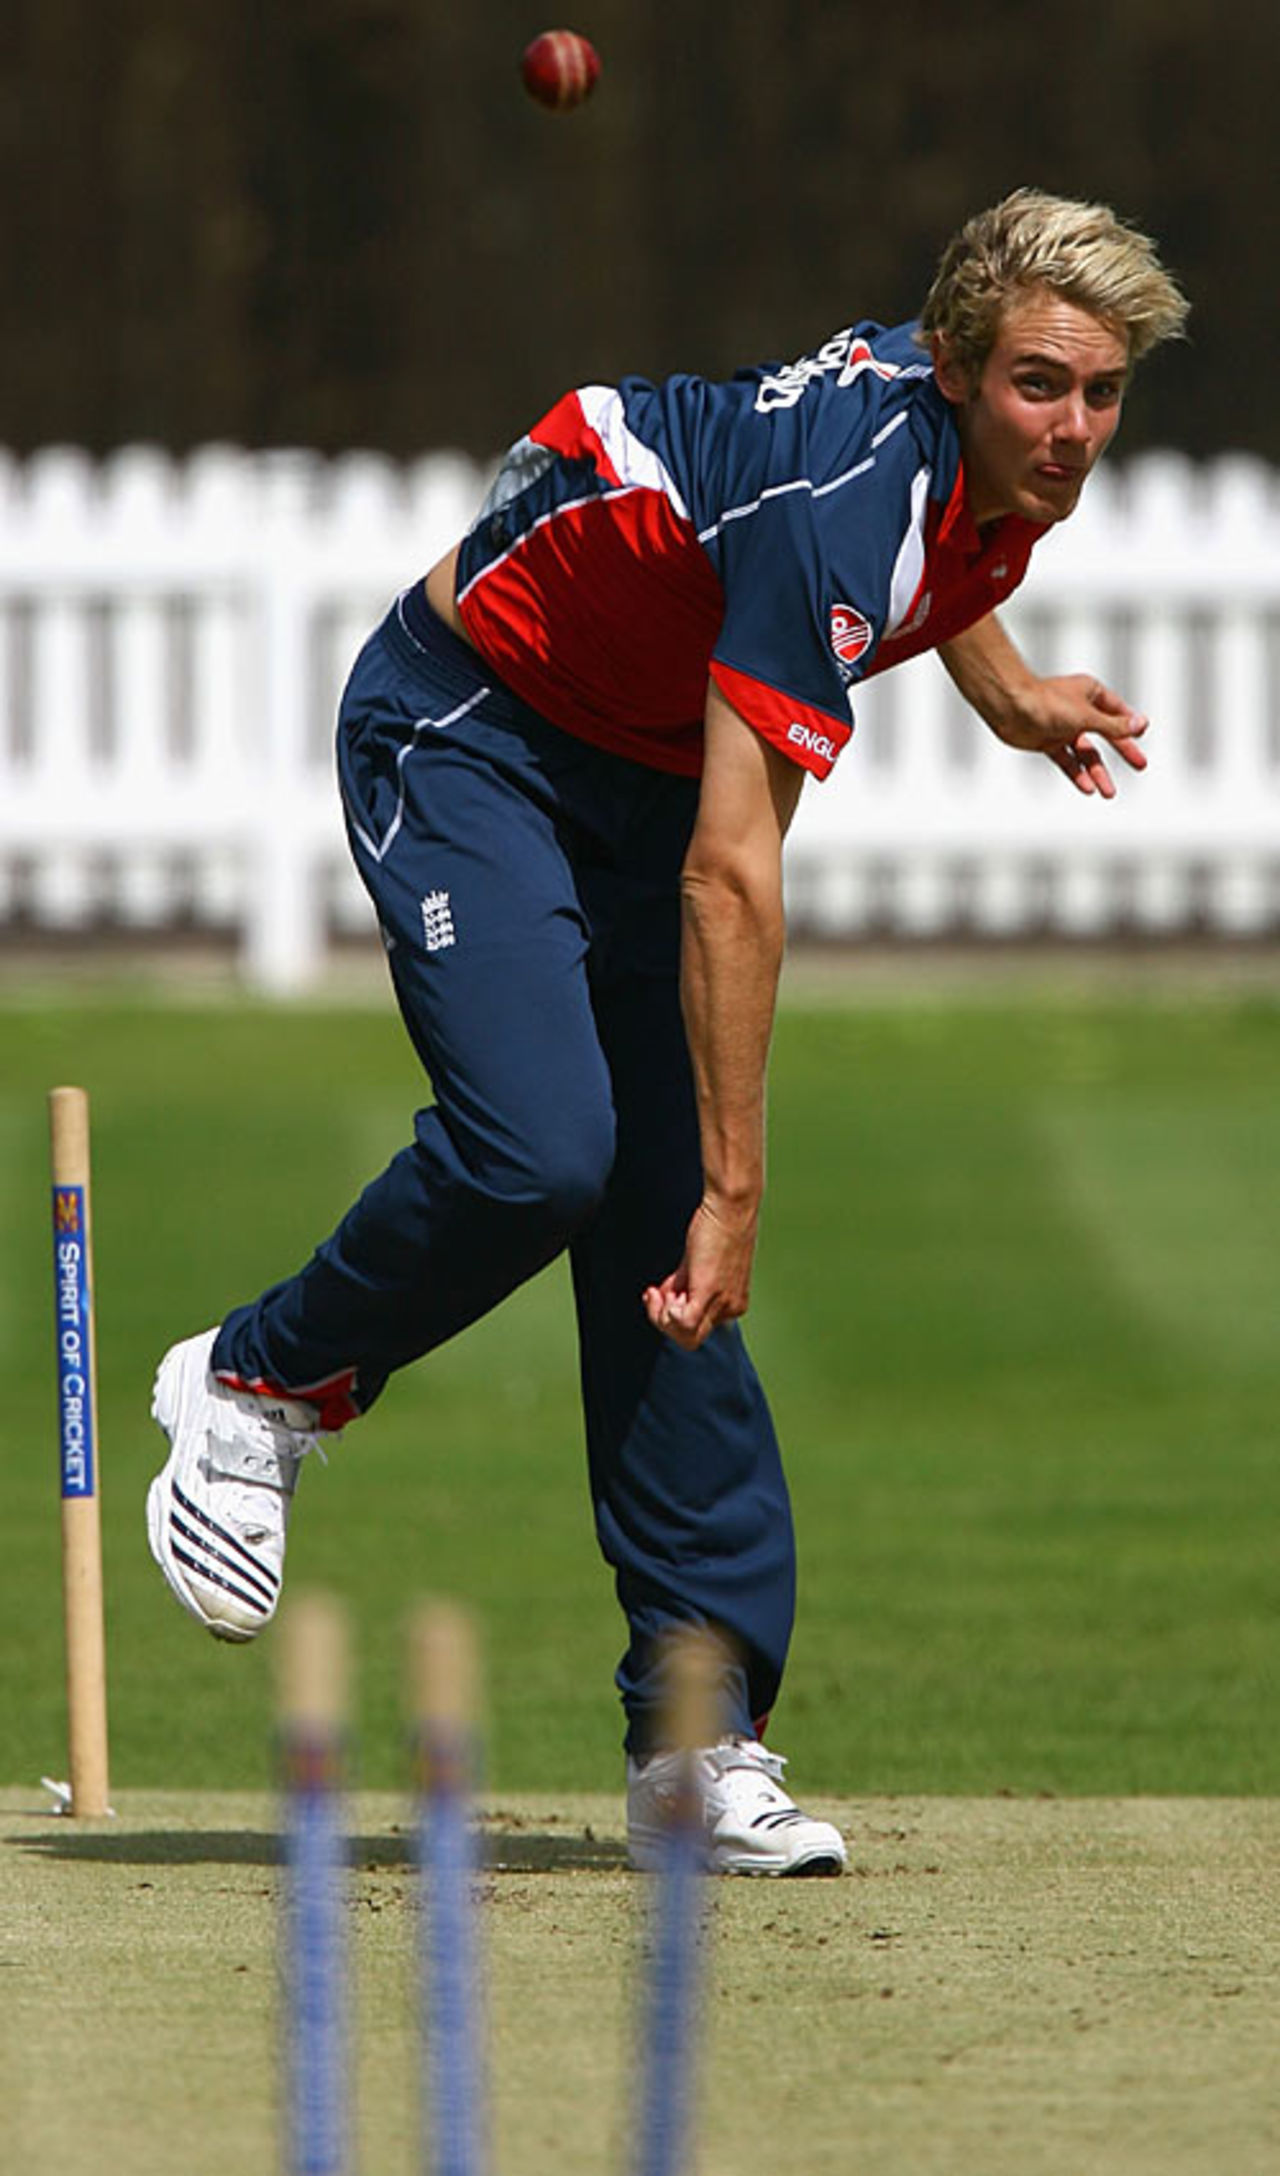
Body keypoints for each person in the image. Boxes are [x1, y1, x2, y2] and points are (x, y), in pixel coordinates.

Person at [146, 189, 1187, 1875]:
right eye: (1037, 388)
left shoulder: (970, 462)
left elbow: (921, 562)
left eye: (1102, 392)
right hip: (473, 730)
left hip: (626, 774)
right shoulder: (857, 481)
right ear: (953, 365)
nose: (1071, 432)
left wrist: (1008, 694)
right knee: (552, 1152)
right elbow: (732, 879)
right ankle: (260, 1378)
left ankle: (698, 1746)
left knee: (658, 1266)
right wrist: (741, 1181)